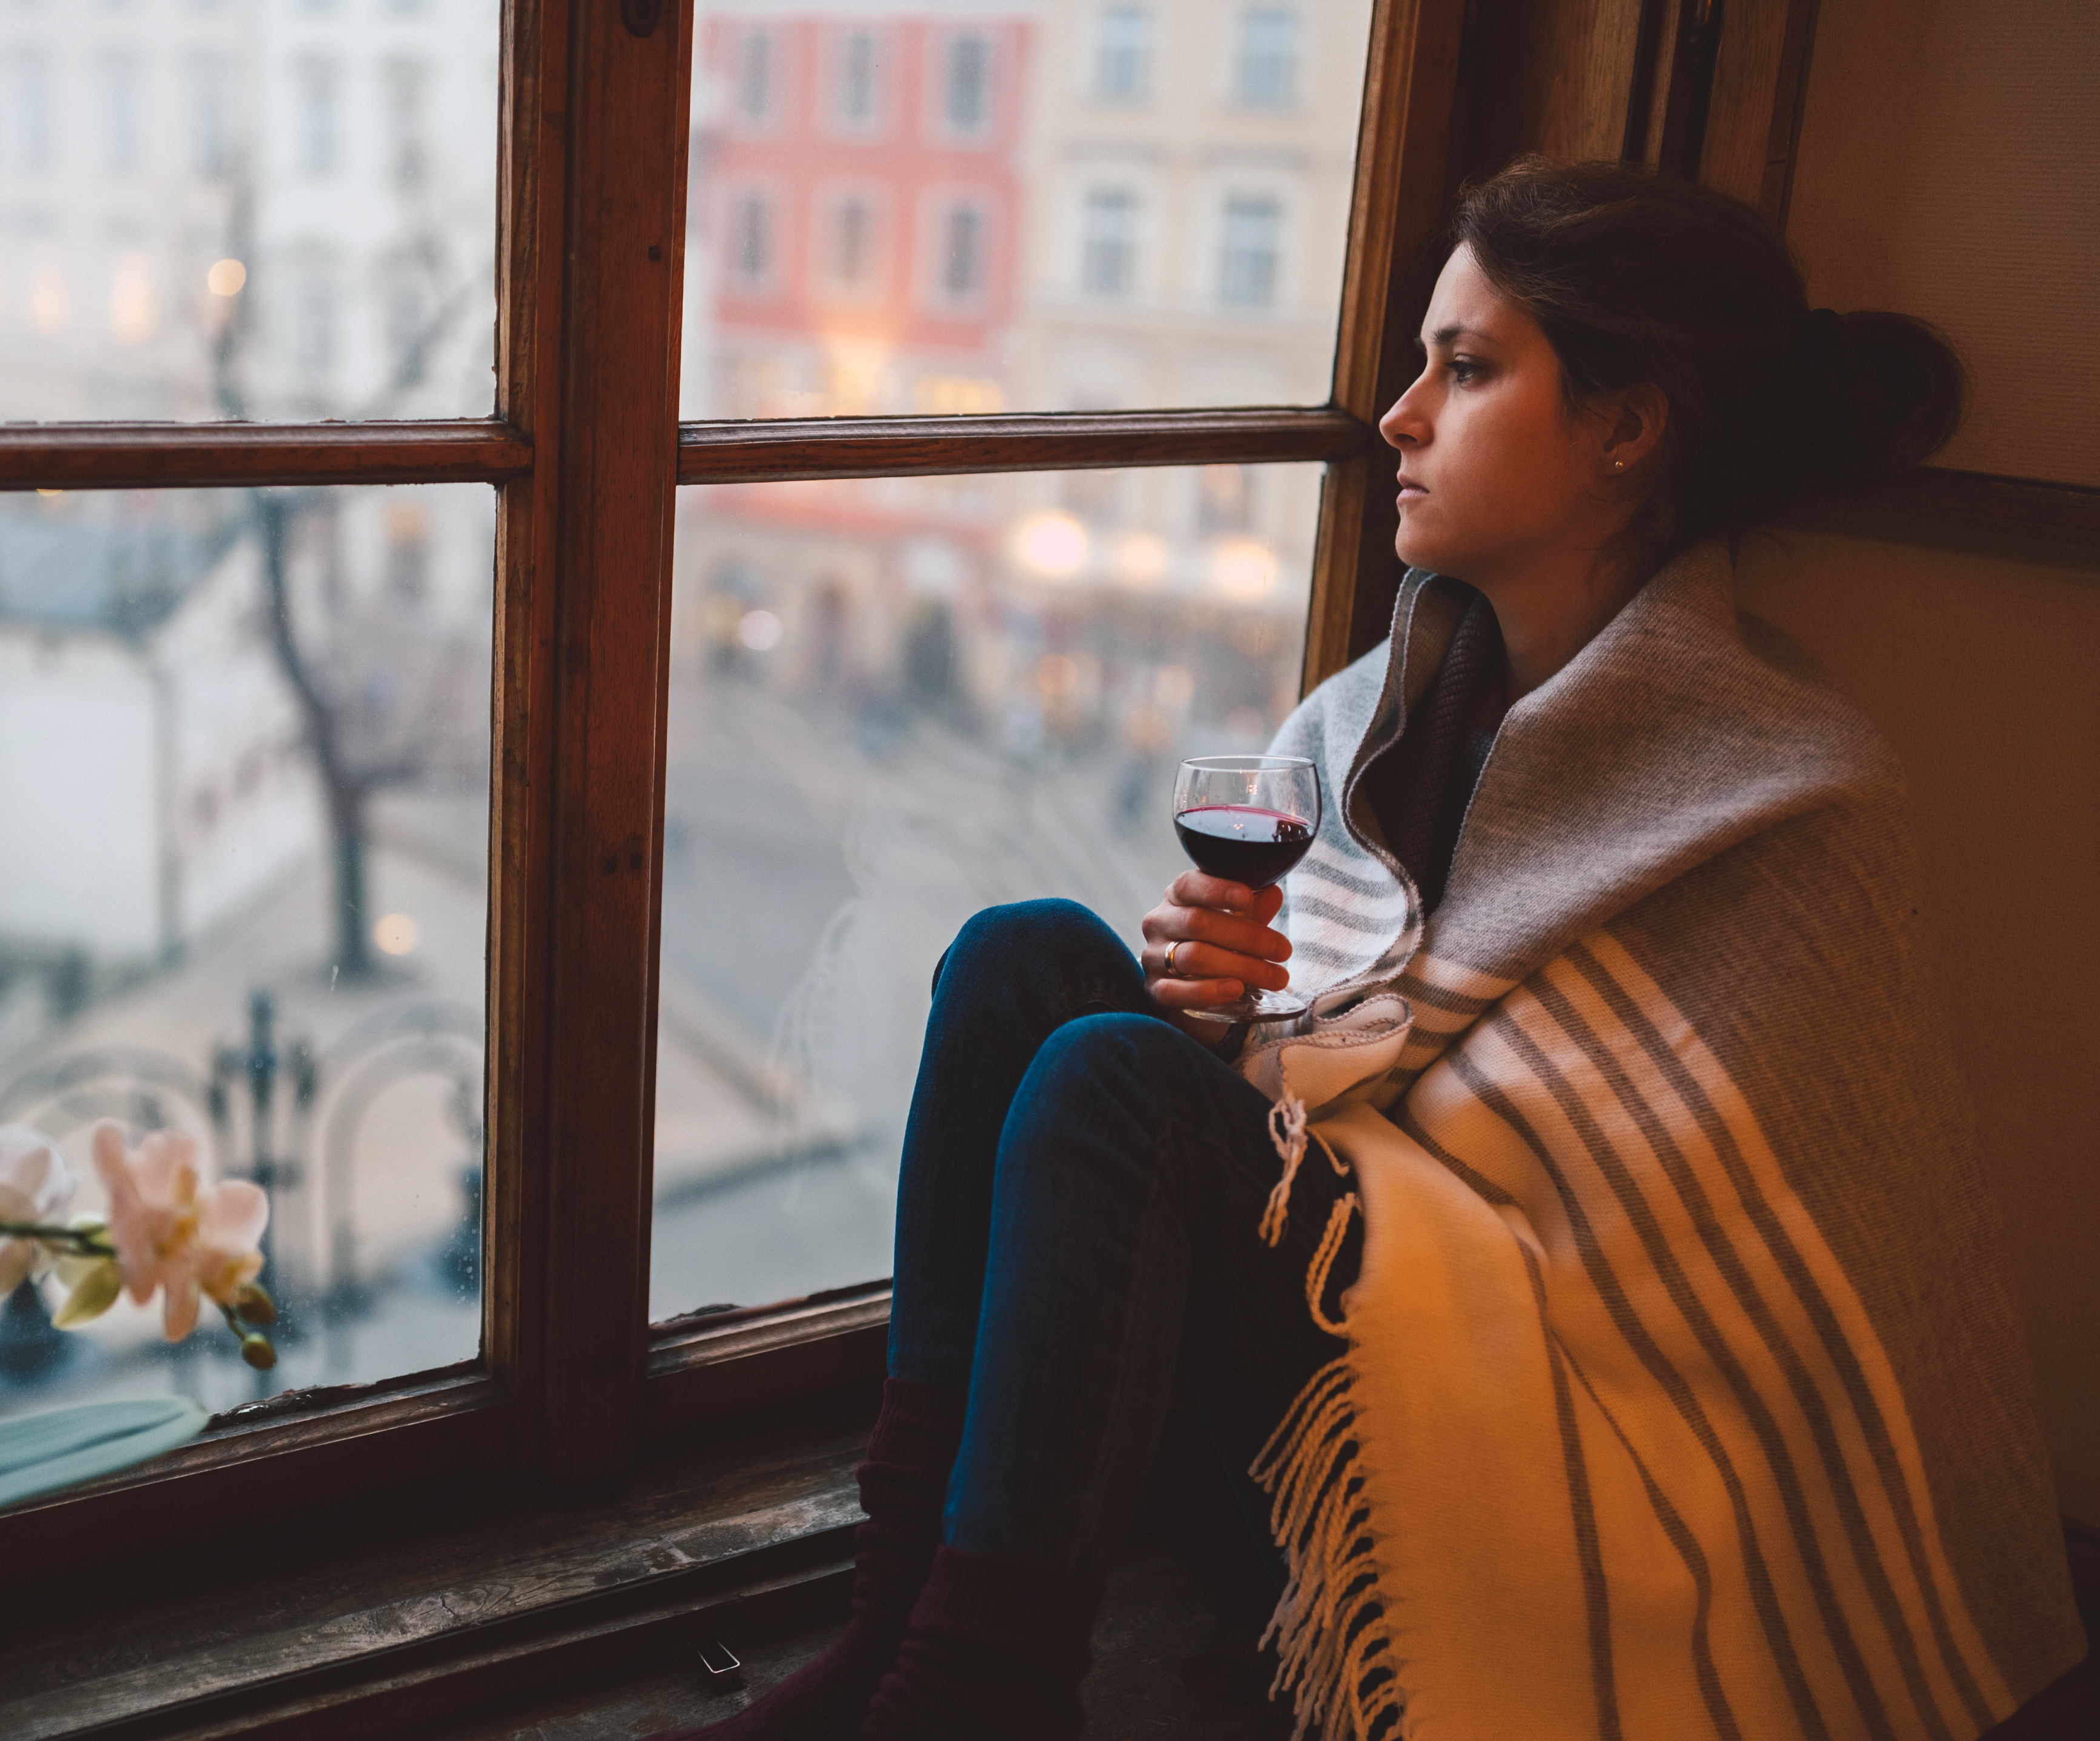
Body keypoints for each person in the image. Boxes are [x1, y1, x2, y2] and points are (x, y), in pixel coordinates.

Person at [654, 158, 2085, 1741]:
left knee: (1115, 1082)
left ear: (1629, 425)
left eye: (1465, 370)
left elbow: (1665, 1275)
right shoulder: (1367, 724)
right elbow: (1324, 1101)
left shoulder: (1788, 802)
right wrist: (1229, 1019)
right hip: (1344, 1334)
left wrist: (1220, 1073)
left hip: (1542, 1425)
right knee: (1025, 961)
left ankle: (973, 1700)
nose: (1397, 415)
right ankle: (898, 1628)